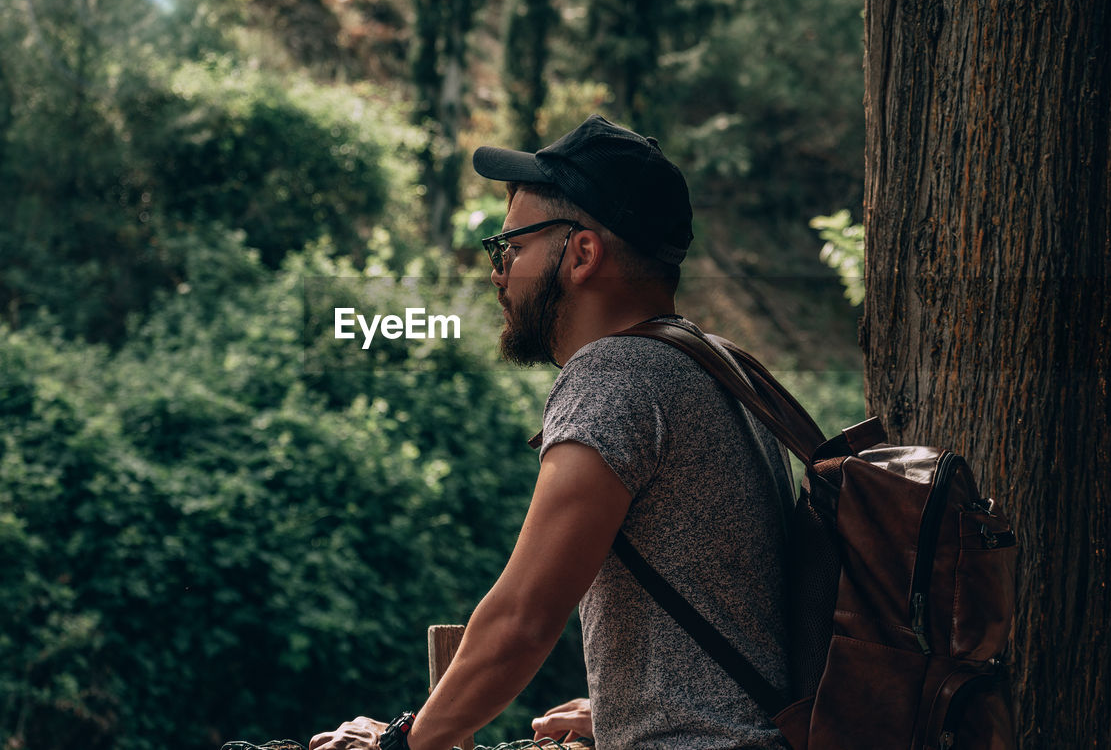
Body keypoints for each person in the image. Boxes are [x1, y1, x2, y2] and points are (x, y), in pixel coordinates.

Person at [309, 115, 794, 750]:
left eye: (511, 247)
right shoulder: (715, 368)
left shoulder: (616, 372)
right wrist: (634, 708)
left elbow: (523, 617)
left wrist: (406, 743)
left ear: (582, 254)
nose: (497, 272)